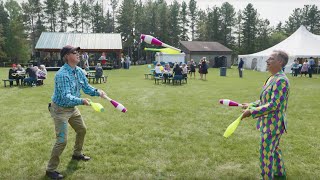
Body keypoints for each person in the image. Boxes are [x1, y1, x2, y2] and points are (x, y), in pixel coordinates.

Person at [46, 45, 107, 179]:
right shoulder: (62, 75)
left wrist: (97, 92)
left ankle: (77, 154)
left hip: (72, 108)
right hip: (60, 110)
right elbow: (65, 96)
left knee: (82, 129)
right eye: (75, 52)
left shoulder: (79, 70)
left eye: (78, 52)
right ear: (67, 56)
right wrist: (81, 101)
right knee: (62, 140)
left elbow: (86, 87)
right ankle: (50, 169)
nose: (78, 54)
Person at [241, 50, 290, 180]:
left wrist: (251, 112)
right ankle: (280, 173)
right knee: (274, 149)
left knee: (266, 154)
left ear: (280, 62)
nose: (267, 61)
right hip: (269, 123)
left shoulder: (281, 81)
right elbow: (265, 101)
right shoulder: (271, 78)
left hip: (274, 125)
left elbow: (274, 105)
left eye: (271, 59)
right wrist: (251, 104)